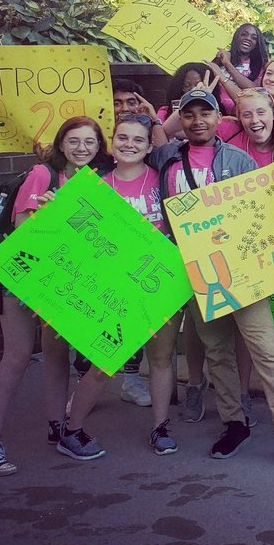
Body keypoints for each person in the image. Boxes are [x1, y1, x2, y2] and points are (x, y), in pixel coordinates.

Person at [149, 89, 274, 473]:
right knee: (217, 350)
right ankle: (234, 423)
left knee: (266, 349)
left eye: (204, 113)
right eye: (188, 114)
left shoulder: (239, 160)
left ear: (218, 119)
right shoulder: (164, 159)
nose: (197, 121)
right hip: (194, 271)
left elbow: (263, 208)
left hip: (241, 269)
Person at [0, 117, 115, 476]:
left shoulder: (92, 183)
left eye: (89, 142)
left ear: (99, 148)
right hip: (24, 278)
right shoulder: (42, 175)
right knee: (17, 357)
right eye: (74, 140)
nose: (82, 148)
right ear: (61, 143)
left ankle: (58, 427)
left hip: (60, 281)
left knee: (56, 354)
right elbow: (23, 233)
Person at [104, 113, 180, 454]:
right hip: (118, 284)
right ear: (112, 143)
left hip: (160, 281)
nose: (129, 145)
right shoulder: (98, 188)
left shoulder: (163, 179)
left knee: (161, 358)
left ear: (151, 146)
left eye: (138, 139)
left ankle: (160, 426)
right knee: (104, 358)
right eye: (123, 138)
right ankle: (72, 426)